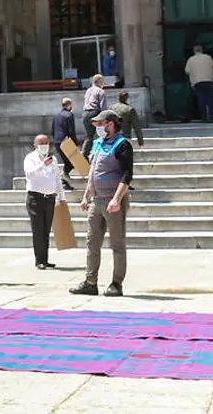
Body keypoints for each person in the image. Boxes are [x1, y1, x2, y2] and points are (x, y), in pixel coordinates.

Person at [70, 110, 134, 298]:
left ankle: (116, 283)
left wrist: (116, 198)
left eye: (100, 124)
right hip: (96, 201)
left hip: (112, 201)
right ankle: (91, 282)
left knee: (117, 243)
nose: (97, 128)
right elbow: (93, 173)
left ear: (111, 124)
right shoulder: (98, 144)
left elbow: (127, 175)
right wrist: (85, 196)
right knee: (92, 242)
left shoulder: (122, 144)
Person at [22, 135, 65, 270]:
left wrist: (61, 196)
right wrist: (42, 165)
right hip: (35, 198)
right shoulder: (30, 158)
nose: (44, 145)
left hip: (50, 198)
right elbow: (29, 174)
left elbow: (57, 178)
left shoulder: (54, 160)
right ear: (35, 145)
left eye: (46, 142)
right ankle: (39, 260)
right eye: (41, 143)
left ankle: (45, 259)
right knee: (38, 229)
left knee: (46, 230)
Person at [185, 45, 213, 122]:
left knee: (201, 100)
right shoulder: (208, 57)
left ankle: (204, 118)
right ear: (202, 50)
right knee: (211, 100)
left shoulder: (191, 59)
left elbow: (187, 71)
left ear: (194, 51)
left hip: (197, 83)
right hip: (208, 81)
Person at [51, 97, 78, 189]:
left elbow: (53, 130)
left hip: (57, 141)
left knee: (67, 162)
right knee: (73, 162)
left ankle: (65, 182)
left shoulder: (56, 115)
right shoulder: (69, 115)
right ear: (69, 105)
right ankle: (63, 178)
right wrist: (75, 143)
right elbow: (71, 130)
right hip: (66, 141)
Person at [80, 74, 107, 159]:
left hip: (85, 113)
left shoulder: (88, 90)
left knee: (89, 136)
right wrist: (105, 118)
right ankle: (104, 153)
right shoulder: (100, 91)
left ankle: (84, 155)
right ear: (99, 81)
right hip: (95, 113)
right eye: (102, 81)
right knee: (104, 133)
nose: (103, 83)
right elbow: (103, 107)